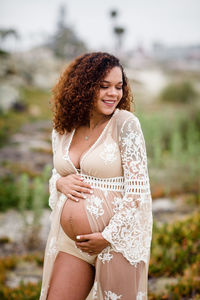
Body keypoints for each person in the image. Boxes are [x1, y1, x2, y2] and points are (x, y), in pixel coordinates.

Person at [39, 52, 153, 300]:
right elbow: (55, 175)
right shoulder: (64, 128)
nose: (113, 94)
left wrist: (107, 237)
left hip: (115, 243)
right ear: (83, 87)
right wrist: (59, 182)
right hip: (73, 244)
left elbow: (138, 191)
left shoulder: (125, 124)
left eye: (118, 87)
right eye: (104, 86)